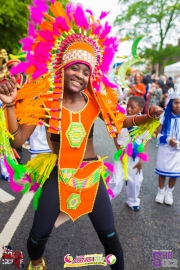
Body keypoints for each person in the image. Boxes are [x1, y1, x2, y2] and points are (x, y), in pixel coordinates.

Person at [0, 2, 163, 270]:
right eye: (75, 67)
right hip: (60, 173)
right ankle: (38, 263)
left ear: (92, 76)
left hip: (89, 174)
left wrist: (149, 116)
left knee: (110, 239)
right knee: (35, 240)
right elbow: (17, 141)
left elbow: (120, 122)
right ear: (62, 68)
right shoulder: (45, 102)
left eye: (86, 71)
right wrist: (8, 105)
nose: (80, 75)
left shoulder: (94, 102)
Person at [109, 97, 148, 211]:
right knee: (116, 180)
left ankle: (133, 200)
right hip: (122, 154)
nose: (129, 109)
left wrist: (141, 160)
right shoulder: (121, 119)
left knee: (136, 180)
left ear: (140, 109)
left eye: (132, 107)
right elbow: (114, 134)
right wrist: (118, 147)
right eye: (128, 106)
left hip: (135, 156)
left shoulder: (144, 123)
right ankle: (106, 199)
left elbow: (145, 141)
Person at [155, 79, 180, 205]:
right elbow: (157, 134)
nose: (178, 106)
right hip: (165, 148)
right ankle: (161, 191)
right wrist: (168, 139)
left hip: (177, 151)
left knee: (174, 173)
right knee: (162, 171)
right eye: (176, 103)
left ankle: (169, 192)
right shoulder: (164, 116)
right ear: (171, 103)